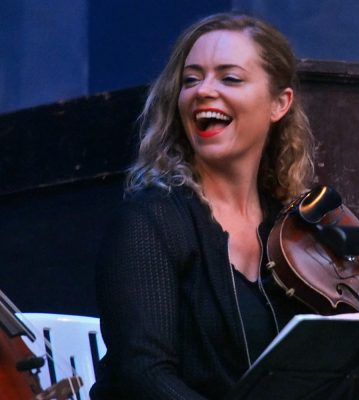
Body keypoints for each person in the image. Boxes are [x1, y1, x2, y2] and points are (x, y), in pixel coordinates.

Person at [89, 13, 314, 399]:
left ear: (279, 103)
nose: (203, 91)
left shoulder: (291, 228)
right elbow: (144, 374)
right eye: (191, 79)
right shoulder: (150, 220)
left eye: (229, 78)